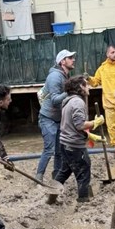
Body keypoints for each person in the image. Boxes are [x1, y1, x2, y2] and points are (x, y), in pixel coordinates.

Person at [52, 76, 103, 203]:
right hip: (74, 145)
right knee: (84, 172)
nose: (89, 87)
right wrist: (95, 122)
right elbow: (80, 125)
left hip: (65, 143)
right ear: (80, 87)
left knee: (65, 170)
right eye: (86, 85)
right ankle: (83, 201)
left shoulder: (68, 100)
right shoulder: (78, 102)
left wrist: (88, 136)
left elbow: (71, 124)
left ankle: (51, 197)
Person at [37, 49, 75, 179]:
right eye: (70, 58)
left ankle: (56, 176)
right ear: (62, 62)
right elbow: (54, 100)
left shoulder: (65, 76)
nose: (73, 59)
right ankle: (39, 176)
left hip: (58, 118)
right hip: (48, 118)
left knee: (59, 150)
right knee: (49, 149)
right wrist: (70, 91)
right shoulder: (55, 77)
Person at [87, 44, 115, 151]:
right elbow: (95, 82)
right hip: (109, 103)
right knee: (111, 127)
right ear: (107, 54)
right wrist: (88, 78)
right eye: (112, 52)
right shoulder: (102, 68)